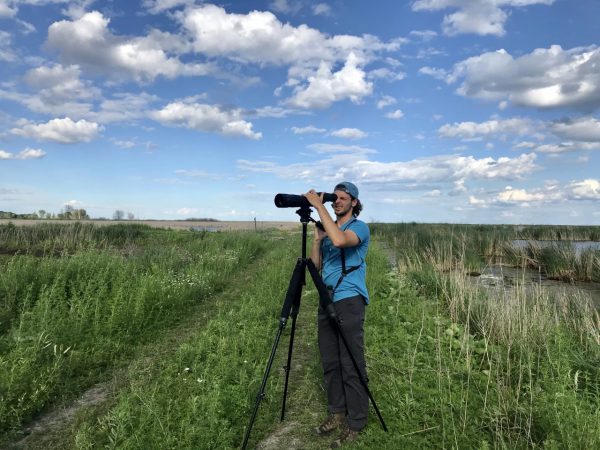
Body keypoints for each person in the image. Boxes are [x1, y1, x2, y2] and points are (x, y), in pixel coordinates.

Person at [303, 181, 370, 449]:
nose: (337, 201)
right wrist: (317, 240)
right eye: (335, 198)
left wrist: (319, 207)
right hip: (327, 299)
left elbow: (341, 240)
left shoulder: (359, 228)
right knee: (330, 361)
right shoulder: (329, 231)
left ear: (354, 202)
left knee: (350, 362)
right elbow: (316, 267)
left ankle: (356, 422)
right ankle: (337, 412)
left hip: (350, 300)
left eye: (343, 198)